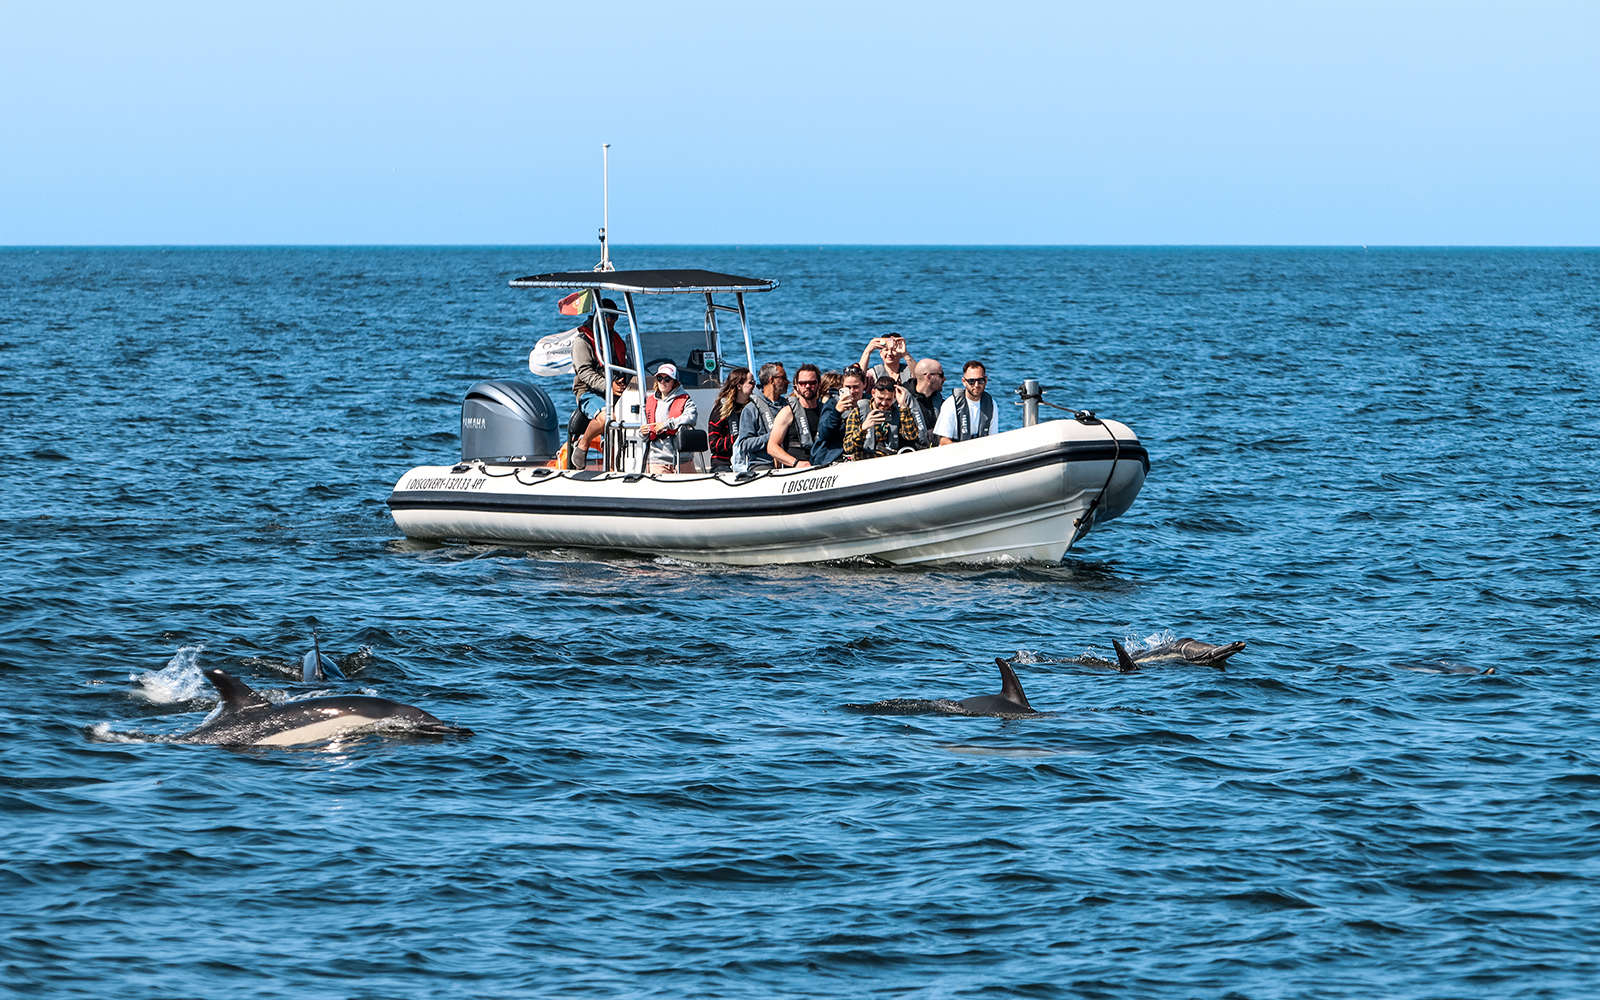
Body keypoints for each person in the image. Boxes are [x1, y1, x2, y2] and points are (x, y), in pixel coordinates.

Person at [568, 297, 632, 468]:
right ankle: (583, 444)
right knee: (607, 417)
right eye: (609, 316)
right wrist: (608, 385)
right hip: (589, 392)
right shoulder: (582, 341)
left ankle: (615, 466)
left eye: (615, 317)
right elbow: (585, 373)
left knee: (636, 414)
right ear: (599, 315)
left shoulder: (616, 339)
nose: (612, 320)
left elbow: (626, 365)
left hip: (616, 390)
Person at [843, 375, 921, 460]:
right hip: (865, 460)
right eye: (880, 398)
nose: (883, 403)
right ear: (873, 393)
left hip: (890, 459)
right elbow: (848, 448)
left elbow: (911, 436)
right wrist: (863, 428)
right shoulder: (858, 412)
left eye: (888, 399)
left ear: (894, 397)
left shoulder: (897, 412)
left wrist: (903, 405)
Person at [643, 363, 698, 474]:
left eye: (667, 379)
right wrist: (643, 433)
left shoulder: (686, 400)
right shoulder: (649, 401)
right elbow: (645, 430)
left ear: (675, 382)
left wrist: (666, 424)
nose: (662, 382)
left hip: (682, 458)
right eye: (659, 378)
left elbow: (691, 417)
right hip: (657, 460)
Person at [767, 363, 824, 469]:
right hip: (796, 470)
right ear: (797, 386)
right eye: (803, 383)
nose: (807, 386)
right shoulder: (787, 413)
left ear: (819, 384)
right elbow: (772, 447)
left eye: (812, 382)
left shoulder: (825, 411)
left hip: (822, 466)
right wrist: (796, 463)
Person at [734, 362, 787, 471]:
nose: (788, 382)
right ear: (771, 380)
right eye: (783, 378)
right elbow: (745, 445)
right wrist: (772, 437)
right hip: (762, 465)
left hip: (788, 462)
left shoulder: (788, 406)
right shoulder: (751, 409)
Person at [934, 360, 1000, 445]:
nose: (976, 385)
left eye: (980, 380)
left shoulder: (991, 404)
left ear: (986, 380)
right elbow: (943, 441)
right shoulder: (951, 404)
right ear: (964, 382)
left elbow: (993, 438)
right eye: (971, 381)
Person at [812, 365, 867, 466]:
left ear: (864, 384)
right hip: (835, 454)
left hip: (863, 453)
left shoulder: (870, 402)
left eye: (856, 387)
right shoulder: (833, 403)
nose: (852, 392)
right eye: (848, 387)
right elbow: (823, 434)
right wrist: (837, 412)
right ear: (842, 386)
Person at [706, 367, 753, 471]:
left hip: (748, 461)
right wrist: (739, 439)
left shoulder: (752, 408)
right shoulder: (720, 410)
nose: (754, 386)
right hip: (723, 464)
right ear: (739, 386)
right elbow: (714, 445)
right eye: (751, 382)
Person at [906, 358, 945, 447]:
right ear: (929, 377)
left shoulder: (940, 400)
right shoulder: (903, 399)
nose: (944, 379)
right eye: (941, 375)